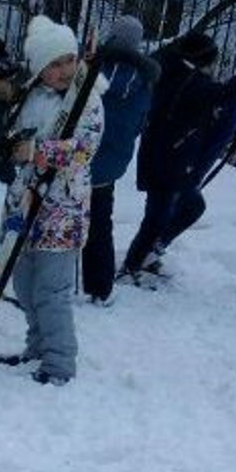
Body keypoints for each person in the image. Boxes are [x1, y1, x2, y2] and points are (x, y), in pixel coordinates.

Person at [0, 15, 105, 386]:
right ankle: (37, 347)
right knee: (24, 284)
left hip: (62, 210)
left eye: (68, 60)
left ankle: (59, 363)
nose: (63, 70)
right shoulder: (29, 95)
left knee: (51, 291)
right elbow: (11, 138)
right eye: (53, 64)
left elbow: (83, 150)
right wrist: (12, 148)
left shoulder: (88, 98)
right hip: (23, 204)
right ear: (39, 68)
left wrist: (38, 150)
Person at [121, 33, 236, 283]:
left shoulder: (172, 71)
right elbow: (229, 92)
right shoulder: (191, 83)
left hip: (163, 157)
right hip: (170, 162)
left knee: (186, 207)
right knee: (159, 216)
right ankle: (132, 265)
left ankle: (148, 253)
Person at [80, 16, 160, 305]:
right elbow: (140, 124)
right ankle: (99, 287)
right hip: (110, 165)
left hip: (77, 158)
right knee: (100, 224)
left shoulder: (92, 68)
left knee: (60, 217)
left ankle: (51, 277)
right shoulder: (144, 84)